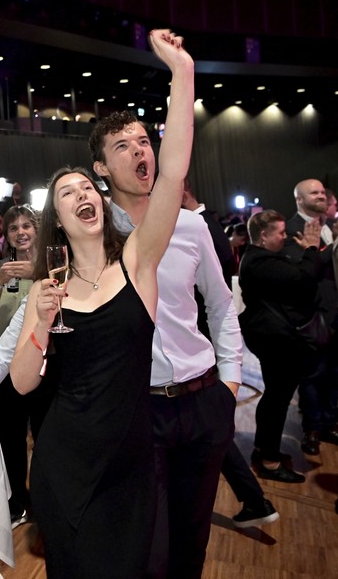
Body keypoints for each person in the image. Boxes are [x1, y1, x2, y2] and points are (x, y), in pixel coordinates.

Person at [9, 29, 194, 578]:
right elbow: (22, 382)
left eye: (86, 188)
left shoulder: (138, 261)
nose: (82, 195)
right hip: (64, 465)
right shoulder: (48, 289)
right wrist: (40, 322)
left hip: (129, 467)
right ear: (57, 222)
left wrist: (181, 74)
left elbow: (175, 170)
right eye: (67, 195)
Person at [92, 109, 241, 577]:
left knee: (192, 544)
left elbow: (221, 307)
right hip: (139, 411)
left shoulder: (192, 226)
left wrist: (230, 385)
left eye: (143, 141)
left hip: (203, 402)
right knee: (147, 549)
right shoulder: (93, 236)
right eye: (123, 146)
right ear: (101, 168)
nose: (140, 150)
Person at [181, 178, 279, 530]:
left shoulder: (195, 224)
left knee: (212, 432)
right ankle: (255, 500)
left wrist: (231, 381)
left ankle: (254, 500)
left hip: (198, 348)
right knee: (213, 433)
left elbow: (221, 276)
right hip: (193, 352)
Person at [239, 209, 323, 482]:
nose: (285, 238)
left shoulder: (260, 258)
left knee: (276, 396)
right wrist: (312, 250)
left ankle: (265, 450)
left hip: (271, 337)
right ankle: (269, 461)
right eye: (281, 233)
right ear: (264, 235)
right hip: (274, 339)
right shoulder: (260, 261)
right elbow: (303, 280)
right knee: (277, 399)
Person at [0, 205, 37, 527]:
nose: (21, 232)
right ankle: (17, 504)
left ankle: (45, 501)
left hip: (47, 365)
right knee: (11, 440)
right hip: (5, 367)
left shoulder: (53, 267)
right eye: (14, 228)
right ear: (8, 236)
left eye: (27, 225)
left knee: (45, 436)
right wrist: (1, 278)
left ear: (38, 229)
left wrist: (37, 273)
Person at [281, 179, 337, 455]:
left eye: (322, 192)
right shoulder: (291, 230)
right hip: (311, 316)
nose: (321, 196)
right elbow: (301, 272)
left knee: (334, 374)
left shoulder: (327, 227)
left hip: (334, 312)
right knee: (313, 376)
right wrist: (323, 250)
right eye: (314, 193)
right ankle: (312, 429)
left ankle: (329, 422)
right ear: (299, 200)